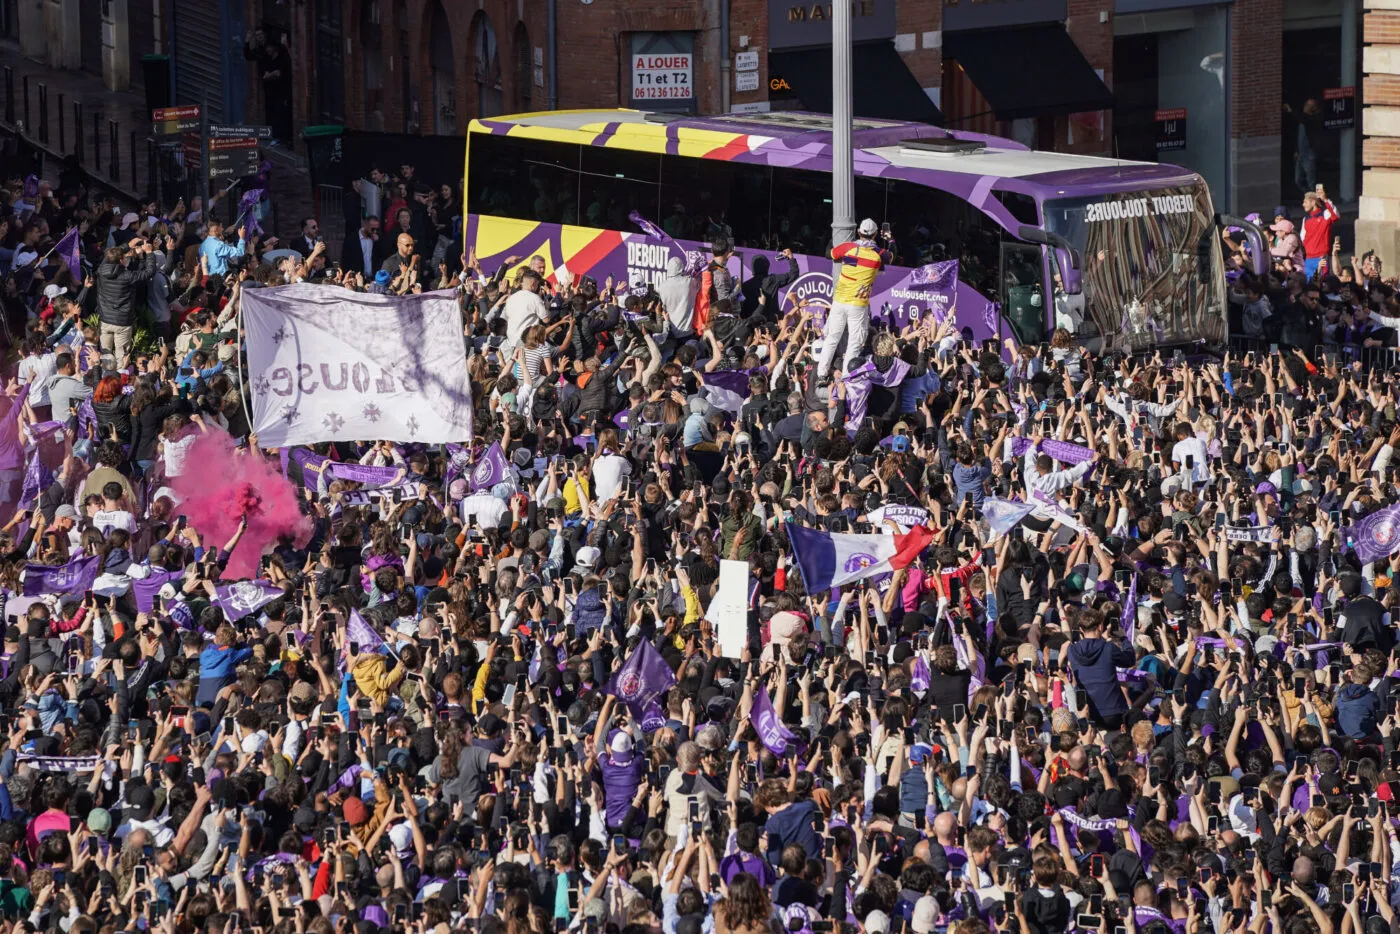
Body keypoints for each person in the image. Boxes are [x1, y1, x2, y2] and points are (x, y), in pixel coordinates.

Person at [818, 218, 888, 382]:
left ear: (859, 232)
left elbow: (829, 253)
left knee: (832, 338)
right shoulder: (878, 254)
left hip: (840, 301)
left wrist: (833, 239)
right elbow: (893, 255)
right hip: (858, 304)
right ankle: (847, 376)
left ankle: (822, 374)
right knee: (854, 342)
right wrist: (890, 239)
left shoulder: (848, 248)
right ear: (876, 234)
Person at [93, 237, 157, 362]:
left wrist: (127, 245)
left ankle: (105, 379)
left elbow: (109, 257)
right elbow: (149, 272)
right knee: (121, 358)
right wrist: (149, 253)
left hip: (105, 319)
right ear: (122, 260)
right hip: (122, 321)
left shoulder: (101, 270)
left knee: (105, 356)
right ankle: (118, 380)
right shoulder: (128, 276)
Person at [1299, 187, 1337, 281]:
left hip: (1321, 257)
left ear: (1313, 202)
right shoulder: (1306, 219)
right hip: (1308, 258)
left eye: (1305, 202)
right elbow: (1302, 238)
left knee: (1321, 282)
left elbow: (1335, 215)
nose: (1303, 204)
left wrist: (1325, 199)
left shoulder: (1325, 214)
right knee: (1308, 283)